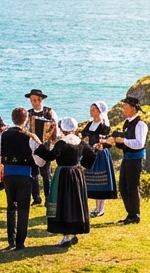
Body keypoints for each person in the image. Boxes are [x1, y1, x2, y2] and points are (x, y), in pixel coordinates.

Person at [0, 106, 46, 250]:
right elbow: (40, 159)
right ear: (26, 119)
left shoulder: (4, 135)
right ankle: (20, 242)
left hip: (8, 175)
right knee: (24, 209)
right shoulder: (30, 136)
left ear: (12, 118)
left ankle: (11, 240)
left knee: (11, 207)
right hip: (25, 176)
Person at [40, 117, 97, 246]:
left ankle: (66, 236)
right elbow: (92, 155)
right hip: (77, 173)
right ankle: (75, 232)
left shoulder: (62, 143)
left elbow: (51, 156)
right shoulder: (80, 142)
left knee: (64, 203)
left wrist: (40, 149)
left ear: (63, 129)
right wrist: (83, 164)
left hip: (63, 174)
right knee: (76, 201)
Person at [104, 96, 148, 224]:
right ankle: (131, 213)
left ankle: (135, 215)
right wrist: (115, 142)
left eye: (126, 107)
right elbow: (126, 142)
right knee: (123, 186)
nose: (123, 109)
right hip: (127, 157)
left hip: (136, 158)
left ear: (133, 109)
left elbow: (139, 143)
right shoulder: (127, 123)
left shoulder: (141, 124)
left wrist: (123, 140)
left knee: (132, 186)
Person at [82, 101, 116, 217]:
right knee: (93, 181)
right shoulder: (89, 124)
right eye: (91, 109)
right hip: (90, 154)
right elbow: (84, 137)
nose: (91, 112)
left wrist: (99, 145)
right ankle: (97, 207)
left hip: (100, 155)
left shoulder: (104, 127)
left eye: (94, 109)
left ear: (100, 111)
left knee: (101, 181)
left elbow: (108, 142)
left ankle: (101, 208)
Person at [25, 89, 57, 206]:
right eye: (33, 99)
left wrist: (51, 143)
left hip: (46, 144)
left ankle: (48, 197)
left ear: (41, 99)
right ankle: (36, 197)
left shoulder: (49, 112)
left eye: (37, 99)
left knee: (46, 172)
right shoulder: (28, 113)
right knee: (33, 172)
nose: (35, 102)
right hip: (32, 144)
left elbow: (55, 127)